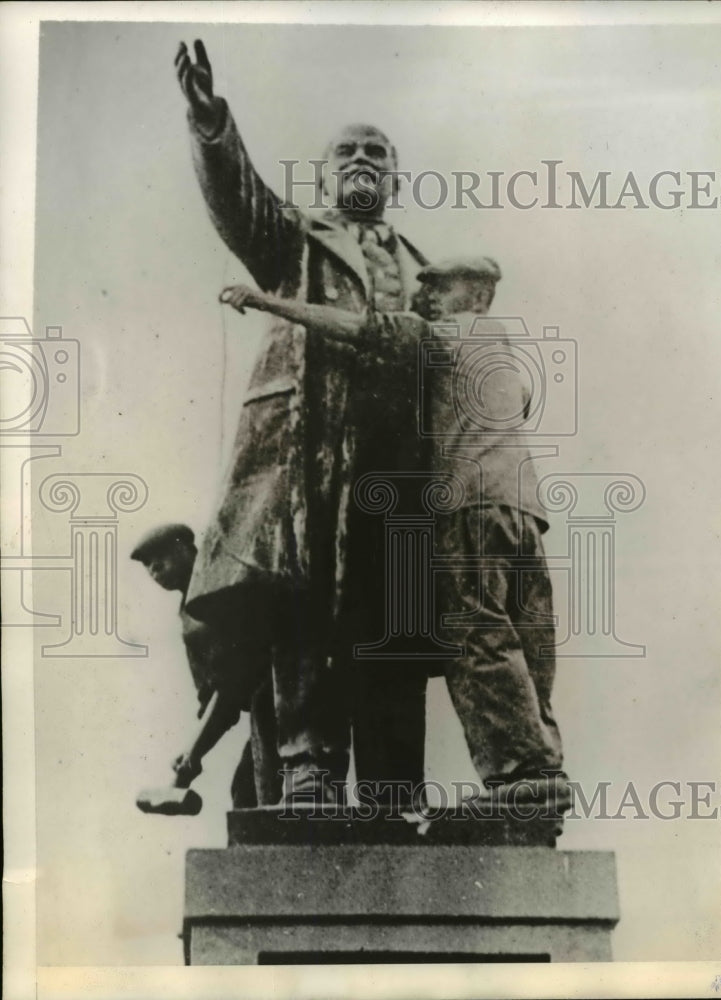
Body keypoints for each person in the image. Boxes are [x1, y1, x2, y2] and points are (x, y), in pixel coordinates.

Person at [174, 40, 429, 803]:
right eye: (345, 150)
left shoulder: (429, 268)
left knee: (397, 610)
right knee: (307, 598)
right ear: (323, 174)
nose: (361, 158)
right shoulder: (294, 241)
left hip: (404, 456)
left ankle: (392, 784)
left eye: (375, 151)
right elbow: (238, 201)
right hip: (313, 441)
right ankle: (309, 764)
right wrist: (209, 122)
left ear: (394, 175)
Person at [219, 256, 569, 808]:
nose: (424, 295)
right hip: (524, 508)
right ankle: (544, 766)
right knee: (529, 640)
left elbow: (352, 326)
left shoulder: (434, 335)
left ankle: (518, 775)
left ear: (476, 294)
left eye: (438, 287)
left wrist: (265, 301)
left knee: (475, 631)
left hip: (468, 506)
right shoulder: (505, 352)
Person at [131, 523, 282, 808]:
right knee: (247, 793)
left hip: (286, 691)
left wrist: (195, 754)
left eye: (160, 559)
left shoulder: (225, 587)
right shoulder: (188, 618)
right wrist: (193, 751)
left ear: (186, 550)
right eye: (148, 565)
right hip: (264, 704)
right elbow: (218, 696)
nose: (154, 571)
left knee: (261, 793)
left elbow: (234, 683)